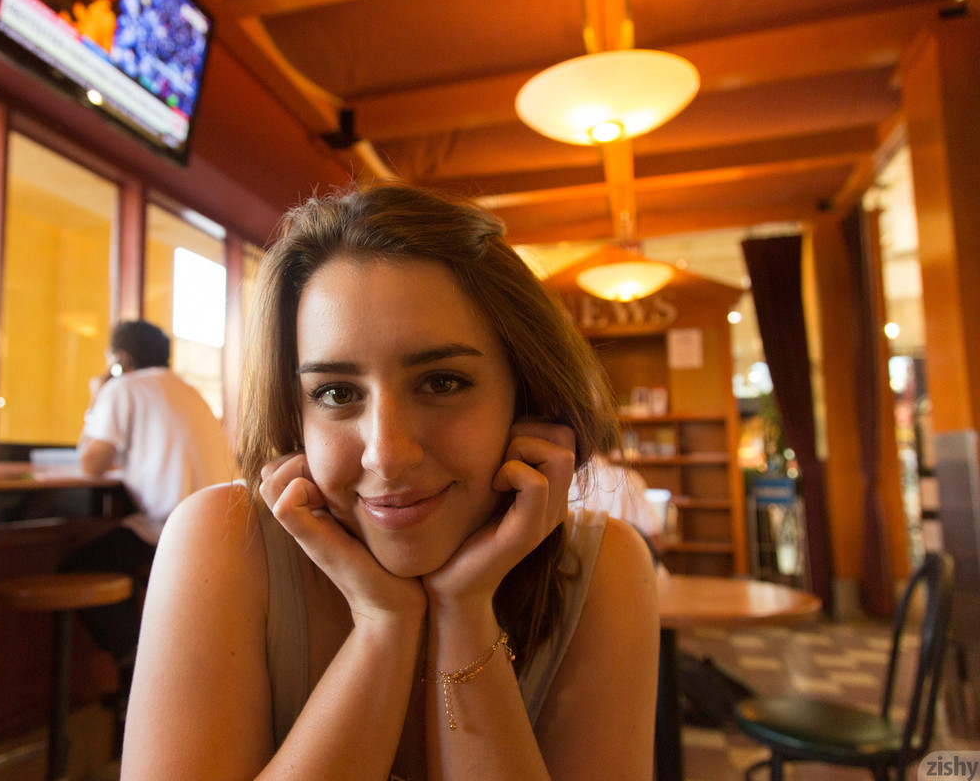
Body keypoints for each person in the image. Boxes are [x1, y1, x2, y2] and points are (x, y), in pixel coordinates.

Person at [122, 184, 659, 780]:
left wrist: (466, 608)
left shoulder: (602, 567)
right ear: (296, 417)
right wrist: (384, 625)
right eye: (336, 393)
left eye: (442, 382)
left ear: (526, 395)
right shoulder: (222, 542)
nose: (387, 455)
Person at [61, 319, 234, 689]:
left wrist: (97, 397)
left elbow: (91, 463)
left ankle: (140, 667)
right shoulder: (189, 391)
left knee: (76, 567)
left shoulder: (122, 388)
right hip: (221, 528)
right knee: (118, 560)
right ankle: (141, 673)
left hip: (169, 530)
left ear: (120, 359)